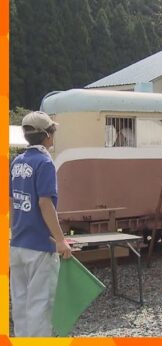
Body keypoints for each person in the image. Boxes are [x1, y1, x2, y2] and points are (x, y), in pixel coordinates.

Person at [10, 111, 72, 336]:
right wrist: (60, 240)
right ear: (46, 135)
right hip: (39, 247)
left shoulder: (17, 162)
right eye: (52, 131)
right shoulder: (44, 163)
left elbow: (11, 201)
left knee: (21, 304)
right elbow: (45, 203)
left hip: (17, 244)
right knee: (40, 306)